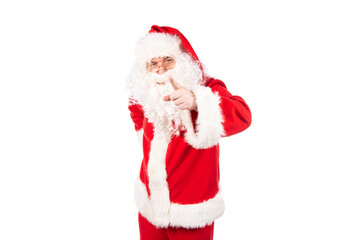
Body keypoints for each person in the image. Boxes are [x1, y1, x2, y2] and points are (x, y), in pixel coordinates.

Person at [126, 25, 252, 240]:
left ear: (183, 59)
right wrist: (145, 141)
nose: (161, 69)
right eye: (153, 63)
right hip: (150, 201)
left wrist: (197, 102)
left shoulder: (207, 87)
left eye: (167, 59)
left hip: (191, 209)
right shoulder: (147, 92)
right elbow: (136, 111)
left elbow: (243, 116)